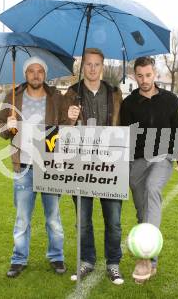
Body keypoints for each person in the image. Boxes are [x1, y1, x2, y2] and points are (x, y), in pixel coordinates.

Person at [120, 56, 178, 284]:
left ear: (155, 74)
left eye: (148, 75)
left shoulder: (170, 99)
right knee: (143, 211)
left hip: (162, 157)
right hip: (138, 162)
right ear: (134, 76)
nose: (144, 80)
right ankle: (150, 256)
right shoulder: (129, 103)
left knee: (152, 189)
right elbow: (126, 137)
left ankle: (145, 259)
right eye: (139, 76)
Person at [0, 56, 66, 278]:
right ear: (25, 74)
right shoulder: (13, 96)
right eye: (31, 71)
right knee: (22, 218)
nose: (36, 75)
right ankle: (18, 259)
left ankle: (56, 256)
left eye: (40, 71)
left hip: (49, 166)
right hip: (22, 166)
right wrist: (9, 125)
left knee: (53, 217)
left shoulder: (56, 97)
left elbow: (67, 126)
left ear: (45, 74)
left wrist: (71, 119)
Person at [62, 48, 124, 285]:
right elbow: (58, 129)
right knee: (83, 220)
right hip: (81, 166)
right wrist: (69, 117)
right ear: (82, 66)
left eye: (97, 64)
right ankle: (87, 260)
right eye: (88, 64)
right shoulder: (71, 93)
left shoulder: (115, 93)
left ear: (103, 67)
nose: (92, 69)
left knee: (114, 220)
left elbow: (125, 126)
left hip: (109, 165)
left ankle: (113, 263)